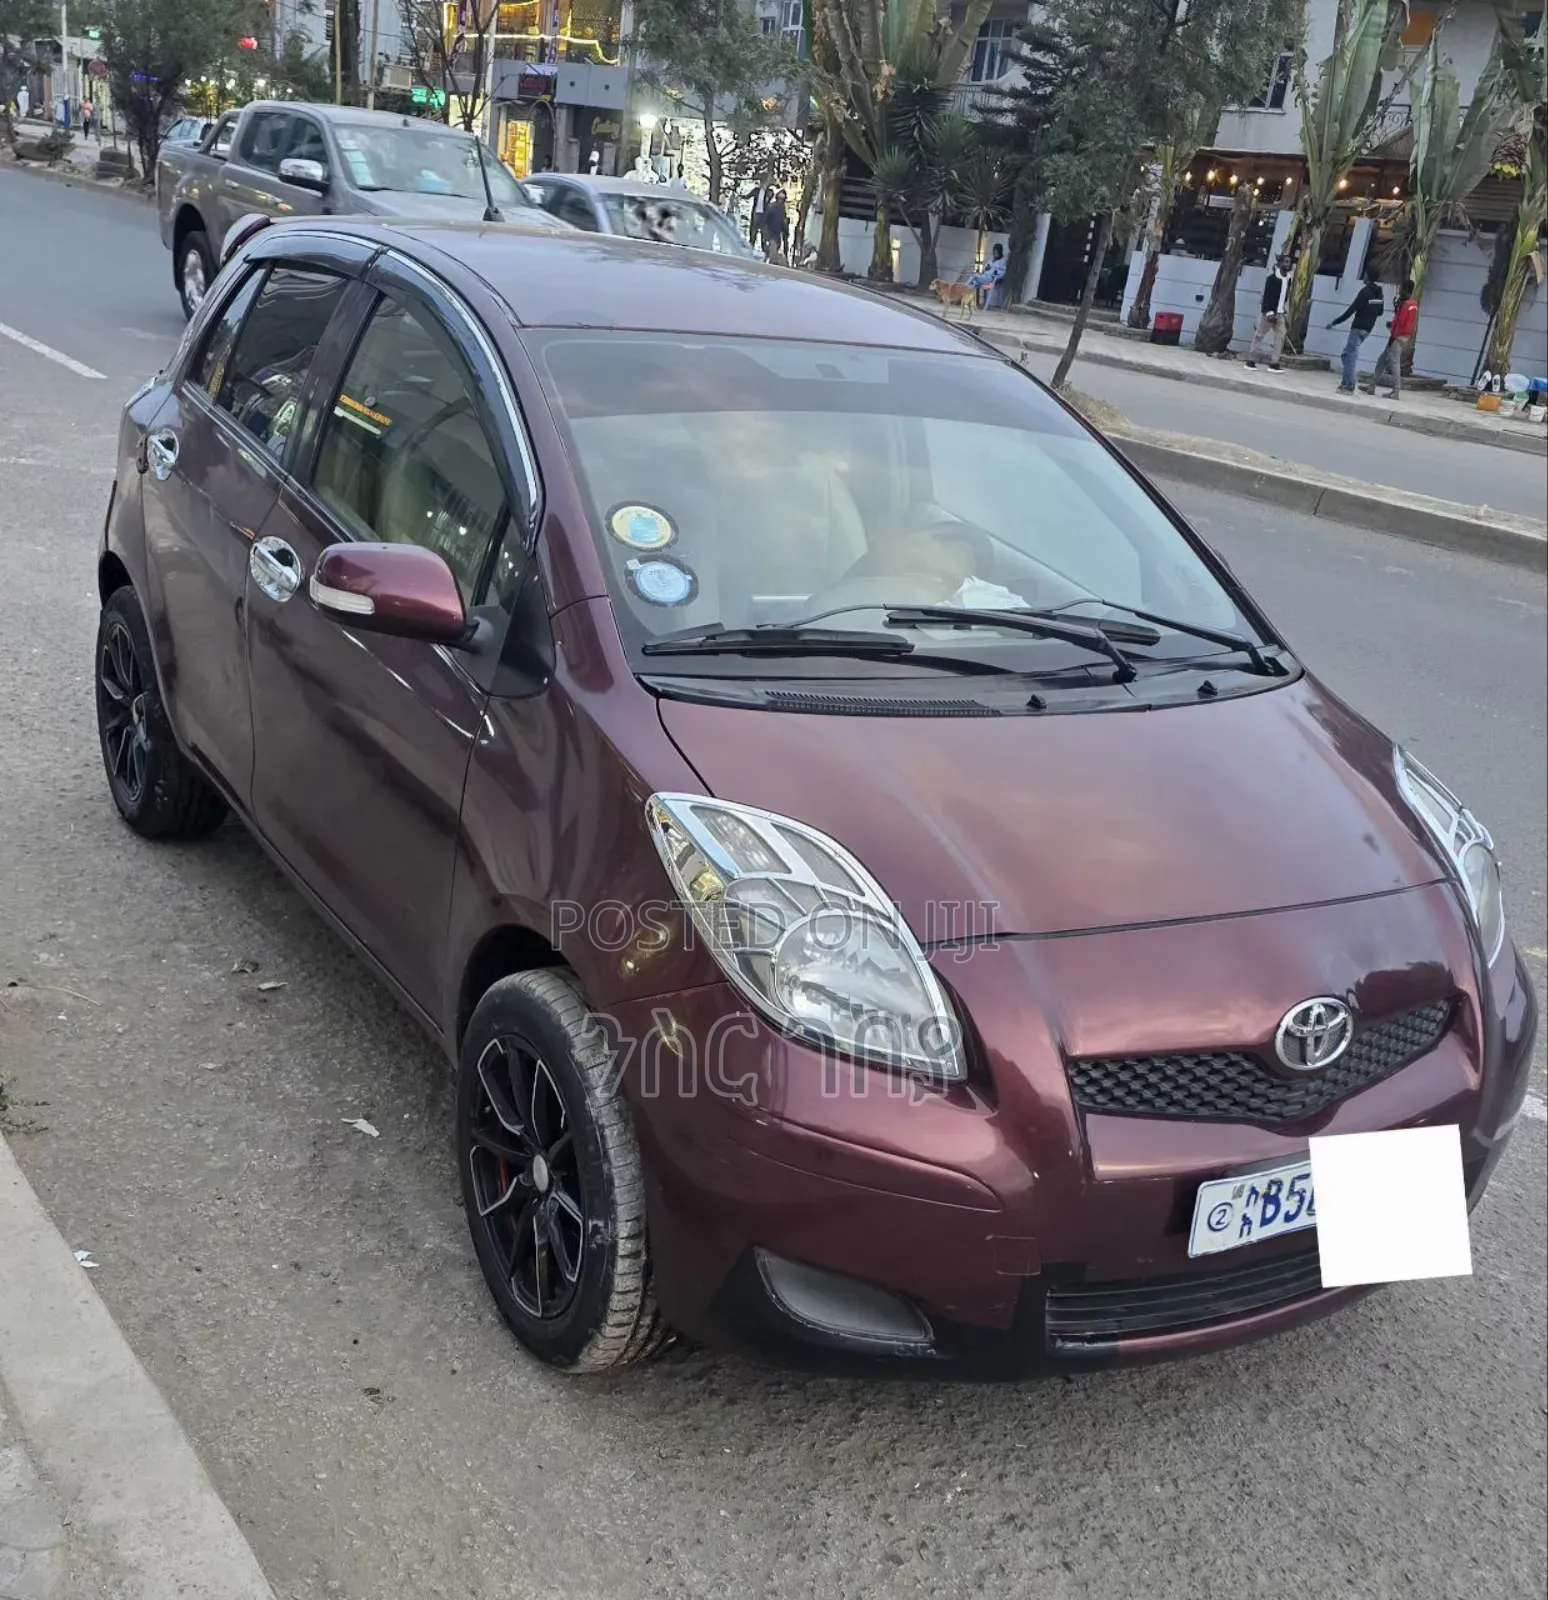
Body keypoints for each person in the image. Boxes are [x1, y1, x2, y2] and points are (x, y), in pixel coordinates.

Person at [1328, 266, 1385, 394]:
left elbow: (1351, 309)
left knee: (1350, 356)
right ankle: (1345, 382)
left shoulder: (1365, 292)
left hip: (1358, 327)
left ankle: (1349, 385)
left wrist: (1334, 322)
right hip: (1368, 329)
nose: (1363, 276)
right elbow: (1380, 312)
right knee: (1346, 355)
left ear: (1368, 277)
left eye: (1365, 274)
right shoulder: (1379, 294)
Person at [1370, 279, 1418, 399]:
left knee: (1394, 362)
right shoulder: (1413, 304)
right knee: (1382, 360)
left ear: (1405, 290)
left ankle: (1396, 391)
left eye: (1401, 289)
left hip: (1398, 336)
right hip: (1403, 335)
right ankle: (1372, 385)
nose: (1400, 291)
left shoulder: (1405, 304)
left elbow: (1400, 321)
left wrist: (1397, 311)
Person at [1243, 253, 1293, 370]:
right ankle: (1251, 360)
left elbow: (1284, 296)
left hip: (1280, 314)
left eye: (1289, 262)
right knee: (1259, 335)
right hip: (1269, 314)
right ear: (1280, 263)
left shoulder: (1288, 279)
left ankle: (1274, 363)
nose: (1288, 264)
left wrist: (1284, 310)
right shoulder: (1271, 279)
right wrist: (1269, 313)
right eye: (1285, 262)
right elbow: (1266, 297)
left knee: (1280, 338)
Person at [968, 244, 1007, 310]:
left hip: (991, 279)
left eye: (997, 252)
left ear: (1000, 252)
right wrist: (986, 268)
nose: (995, 254)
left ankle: (963, 289)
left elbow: (1003, 272)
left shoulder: (1003, 261)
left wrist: (995, 272)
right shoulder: (991, 260)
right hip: (985, 277)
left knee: (974, 276)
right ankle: (969, 301)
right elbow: (985, 268)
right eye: (994, 252)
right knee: (973, 282)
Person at [763, 189, 789, 264]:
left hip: (777, 232)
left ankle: (766, 258)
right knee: (773, 248)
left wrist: (784, 225)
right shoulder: (772, 206)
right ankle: (771, 261)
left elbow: (783, 219)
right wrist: (765, 229)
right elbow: (766, 218)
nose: (781, 200)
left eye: (782, 199)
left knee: (776, 246)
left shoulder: (782, 208)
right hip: (771, 231)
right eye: (780, 198)